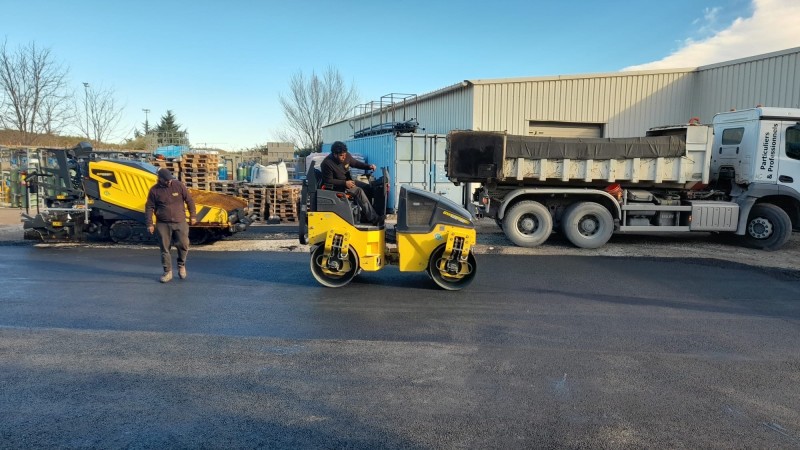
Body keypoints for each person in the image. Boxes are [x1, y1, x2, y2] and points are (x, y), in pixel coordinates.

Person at [145, 168, 197, 283]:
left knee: (184, 244)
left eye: (170, 180)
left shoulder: (178, 185)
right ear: (160, 179)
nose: (169, 182)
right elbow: (149, 207)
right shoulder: (154, 190)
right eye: (167, 180)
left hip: (180, 222)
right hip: (163, 223)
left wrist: (193, 215)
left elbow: (189, 201)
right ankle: (167, 271)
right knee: (165, 248)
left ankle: (181, 265)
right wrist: (150, 223)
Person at [320, 141, 383, 225]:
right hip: (337, 187)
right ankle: (375, 219)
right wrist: (344, 183)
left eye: (345, 154)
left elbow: (355, 163)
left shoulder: (346, 156)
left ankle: (365, 217)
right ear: (334, 154)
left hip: (348, 182)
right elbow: (328, 180)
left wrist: (368, 166)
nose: (344, 157)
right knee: (358, 191)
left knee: (368, 188)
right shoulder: (326, 163)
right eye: (341, 155)